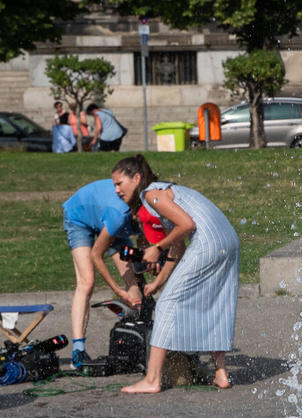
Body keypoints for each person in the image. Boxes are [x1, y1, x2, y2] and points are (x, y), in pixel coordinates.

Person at [110, 155, 240, 393]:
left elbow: (187, 225)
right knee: (212, 302)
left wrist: (156, 248)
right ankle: (221, 373)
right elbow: (178, 246)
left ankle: (152, 379)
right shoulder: (167, 191)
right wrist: (158, 282)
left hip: (208, 240)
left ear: (136, 178)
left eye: (119, 183)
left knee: (167, 305)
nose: (116, 190)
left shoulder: (151, 193)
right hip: (228, 239)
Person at [61, 178, 142, 366]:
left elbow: (146, 246)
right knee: (87, 282)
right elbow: (97, 255)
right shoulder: (119, 216)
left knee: (131, 275)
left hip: (107, 219)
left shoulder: (147, 214)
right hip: (79, 216)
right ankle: (78, 350)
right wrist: (118, 291)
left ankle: (138, 335)